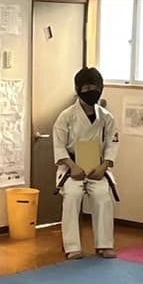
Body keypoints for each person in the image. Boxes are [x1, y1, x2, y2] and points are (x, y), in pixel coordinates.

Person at [53, 67, 119, 260]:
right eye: (87, 87)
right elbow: (58, 145)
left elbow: (113, 143)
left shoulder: (106, 117)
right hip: (72, 167)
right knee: (72, 196)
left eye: (96, 87)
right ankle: (72, 247)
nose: (92, 91)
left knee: (102, 196)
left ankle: (104, 245)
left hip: (96, 167)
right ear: (78, 89)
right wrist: (72, 167)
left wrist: (103, 166)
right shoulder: (66, 116)